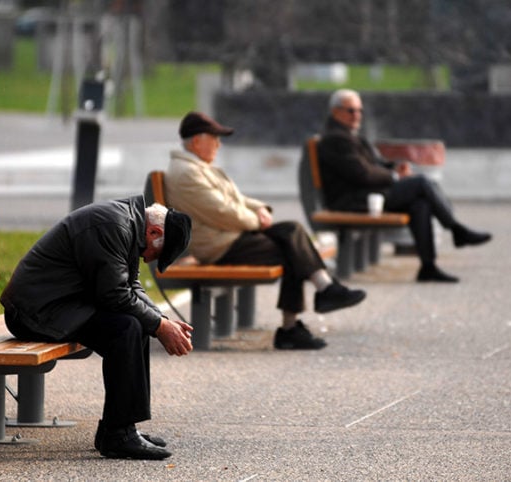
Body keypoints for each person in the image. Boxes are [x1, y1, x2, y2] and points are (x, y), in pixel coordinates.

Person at [0, 196, 193, 460]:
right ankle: (118, 434)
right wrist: (160, 325)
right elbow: (114, 295)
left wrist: (161, 320)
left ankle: (121, 429)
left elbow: (130, 287)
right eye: (156, 253)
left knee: (139, 323)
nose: (148, 259)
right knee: (126, 328)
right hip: (35, 313)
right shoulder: (112, 226)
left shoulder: (129, 224)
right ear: (154, 231)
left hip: (63, 306)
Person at [163, 111, 367, 350]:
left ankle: (321, 294)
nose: (218, 144)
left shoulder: (197, 167)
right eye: (214, 138)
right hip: (219, 246)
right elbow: (222, 211)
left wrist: (260, 209)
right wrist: (258, 222)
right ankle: (298, 320)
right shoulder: (186, 173)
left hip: (230, 236)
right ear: (197, 141)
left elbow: (237, 200)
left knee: (292, 231)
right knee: (292, 249)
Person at [317, 89, 492, 283]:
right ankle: (456, 229)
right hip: (352, 200)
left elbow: (374, 163)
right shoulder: (336, 138)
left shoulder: (348, 135)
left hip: (367, 195)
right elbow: (361, 174)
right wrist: (394, 176)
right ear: (335, 112)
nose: (356, 115)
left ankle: (428, 267)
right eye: (351, 110)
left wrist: (394, 166)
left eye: (359, 111)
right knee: (422, 183)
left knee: (420, 204)